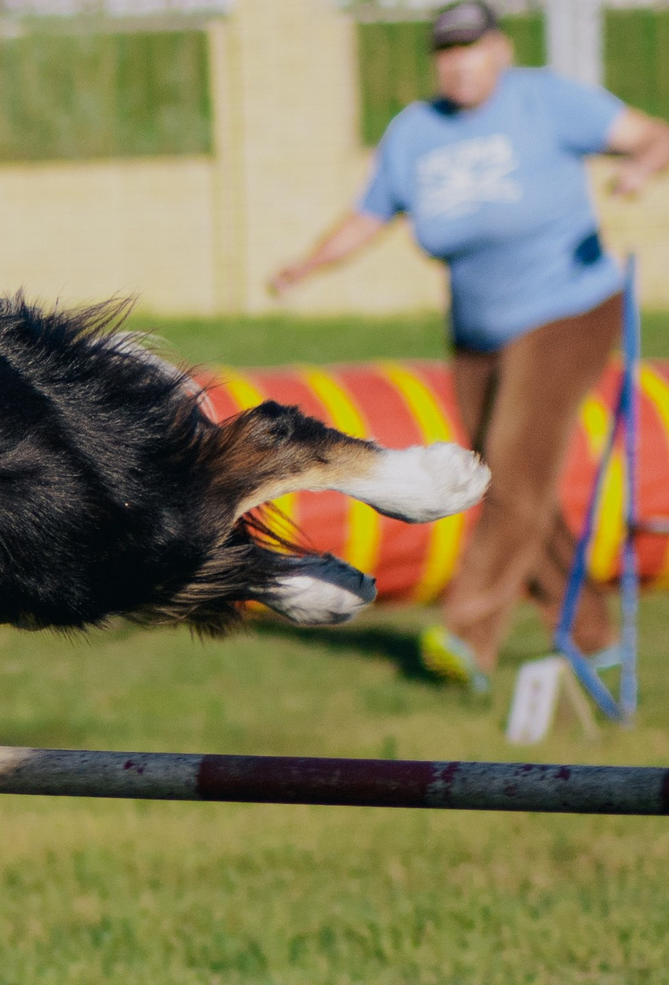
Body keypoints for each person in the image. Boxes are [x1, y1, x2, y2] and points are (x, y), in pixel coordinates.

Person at [270, 0, 669, 691]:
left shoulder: (547, 100)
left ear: (501, 50)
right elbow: (370, 214)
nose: (459, 64)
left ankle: (467, 635)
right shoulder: (416, 132)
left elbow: (654, 134)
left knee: (515, 466)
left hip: (569, 309)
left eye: (472, 48)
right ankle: (592, 633)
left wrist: (640, 170)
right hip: (478, 330)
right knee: (500, 478)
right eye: (447, 53)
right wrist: (307, 265)